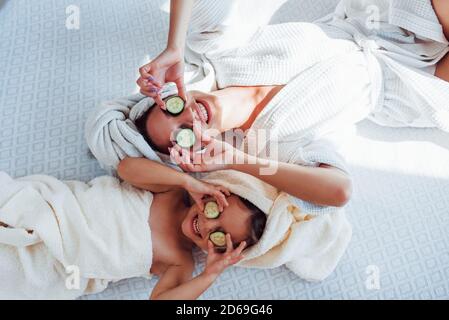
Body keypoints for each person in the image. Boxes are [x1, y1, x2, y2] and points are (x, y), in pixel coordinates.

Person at [86, 0, 449, 216]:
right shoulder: (268, 144)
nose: (189, 119)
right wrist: (235, 160)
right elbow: (339, 191)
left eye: (171, 109)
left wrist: (175, 48)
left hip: (378, 18)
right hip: (406, 84)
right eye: (184, 135)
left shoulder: (223, 53)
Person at [0, 162, 267, 300]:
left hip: (64, 266)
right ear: (215, 193)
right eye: (214, 212)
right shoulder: (170, 192)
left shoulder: (180, 261)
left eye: (218, 236)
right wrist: (186, 181)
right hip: (61, 213)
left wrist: (209, 275)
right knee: (15, 207)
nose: (207, 225)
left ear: (218, 250)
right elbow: (126, 168)